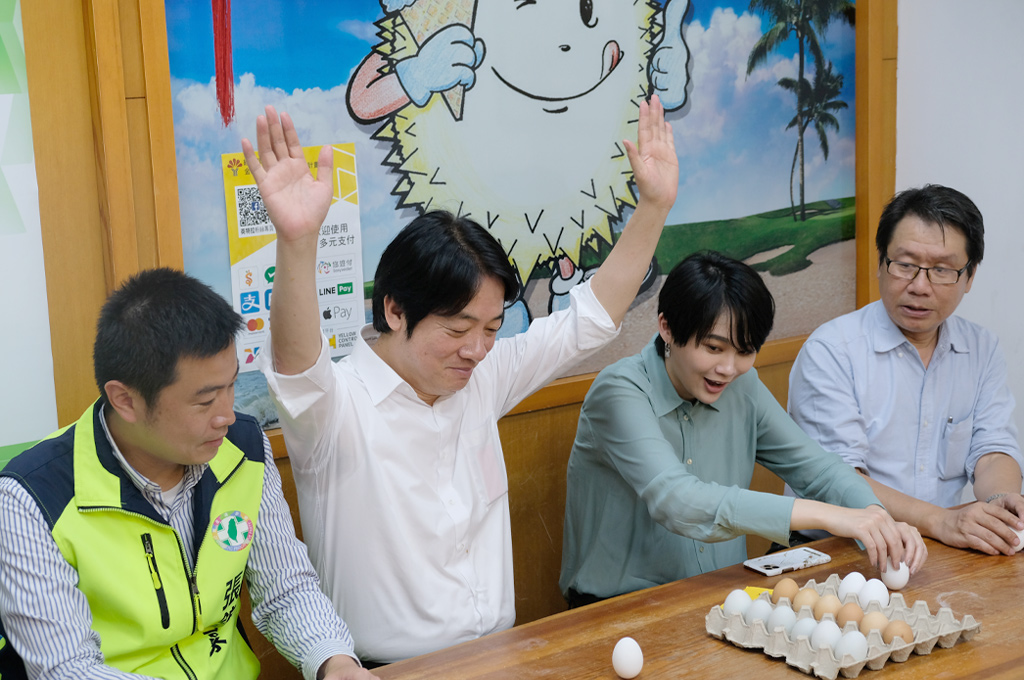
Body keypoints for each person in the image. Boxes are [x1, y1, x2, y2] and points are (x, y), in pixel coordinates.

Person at [241, 94, 679, 664]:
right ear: (395, 310)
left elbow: (588, 320)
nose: (476, 349)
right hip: (383, 671)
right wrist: (298, 241)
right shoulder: (335, 407)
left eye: (492, 328)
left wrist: (653, 207)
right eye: (456, 329)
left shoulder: (482, 375)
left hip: (500, 656)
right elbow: (297, 366)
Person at [0, 269, 376, 680]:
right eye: (205, 401)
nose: (227, 415)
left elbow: (286, 588)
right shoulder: (31, 498)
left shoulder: (242, 447)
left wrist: (334, 661)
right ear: (125, 400)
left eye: (231, 386)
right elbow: (67, 670)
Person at [559, 252, 926, 605]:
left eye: (746, 351)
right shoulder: (620, 391)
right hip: (616, 609)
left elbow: (819, 469)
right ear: (667, 328)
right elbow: (677, 499)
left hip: (720, 597)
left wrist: (876, 518)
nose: (729, 368)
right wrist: (830, 516)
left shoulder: (741, 386)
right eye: (713, 348)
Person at [788, 185, 1024, 555]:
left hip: (937, 549)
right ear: (881, 263)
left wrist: (1001, 500)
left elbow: (992, 451)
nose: (919, 286)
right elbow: (839, 481)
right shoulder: (831, 351)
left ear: (969, 276)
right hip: (835, 553)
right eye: (905, 265)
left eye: (942, 270)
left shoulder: (981, 349)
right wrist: (940, 521)